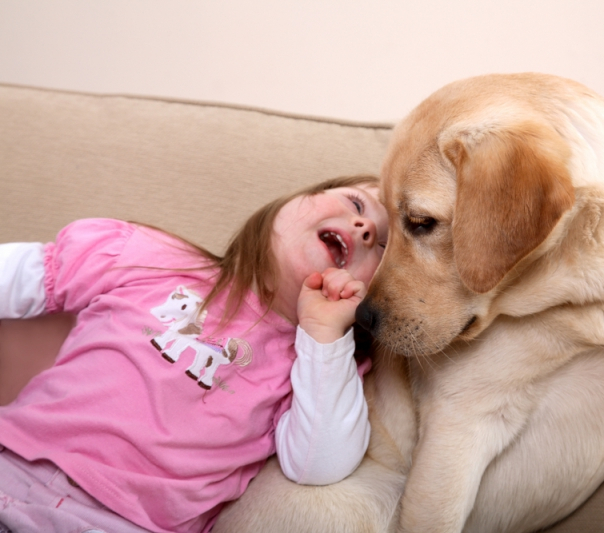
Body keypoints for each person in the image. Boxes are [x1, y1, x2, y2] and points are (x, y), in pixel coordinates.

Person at [0, 174, 388, 533]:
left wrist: (324, 335)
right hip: (13, 463)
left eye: (385, 248)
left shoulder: (314, 363)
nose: (366, 228)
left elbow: (319, 466)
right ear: (294, 200)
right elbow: (18, 276)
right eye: (356, 204)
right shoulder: (151, 257)